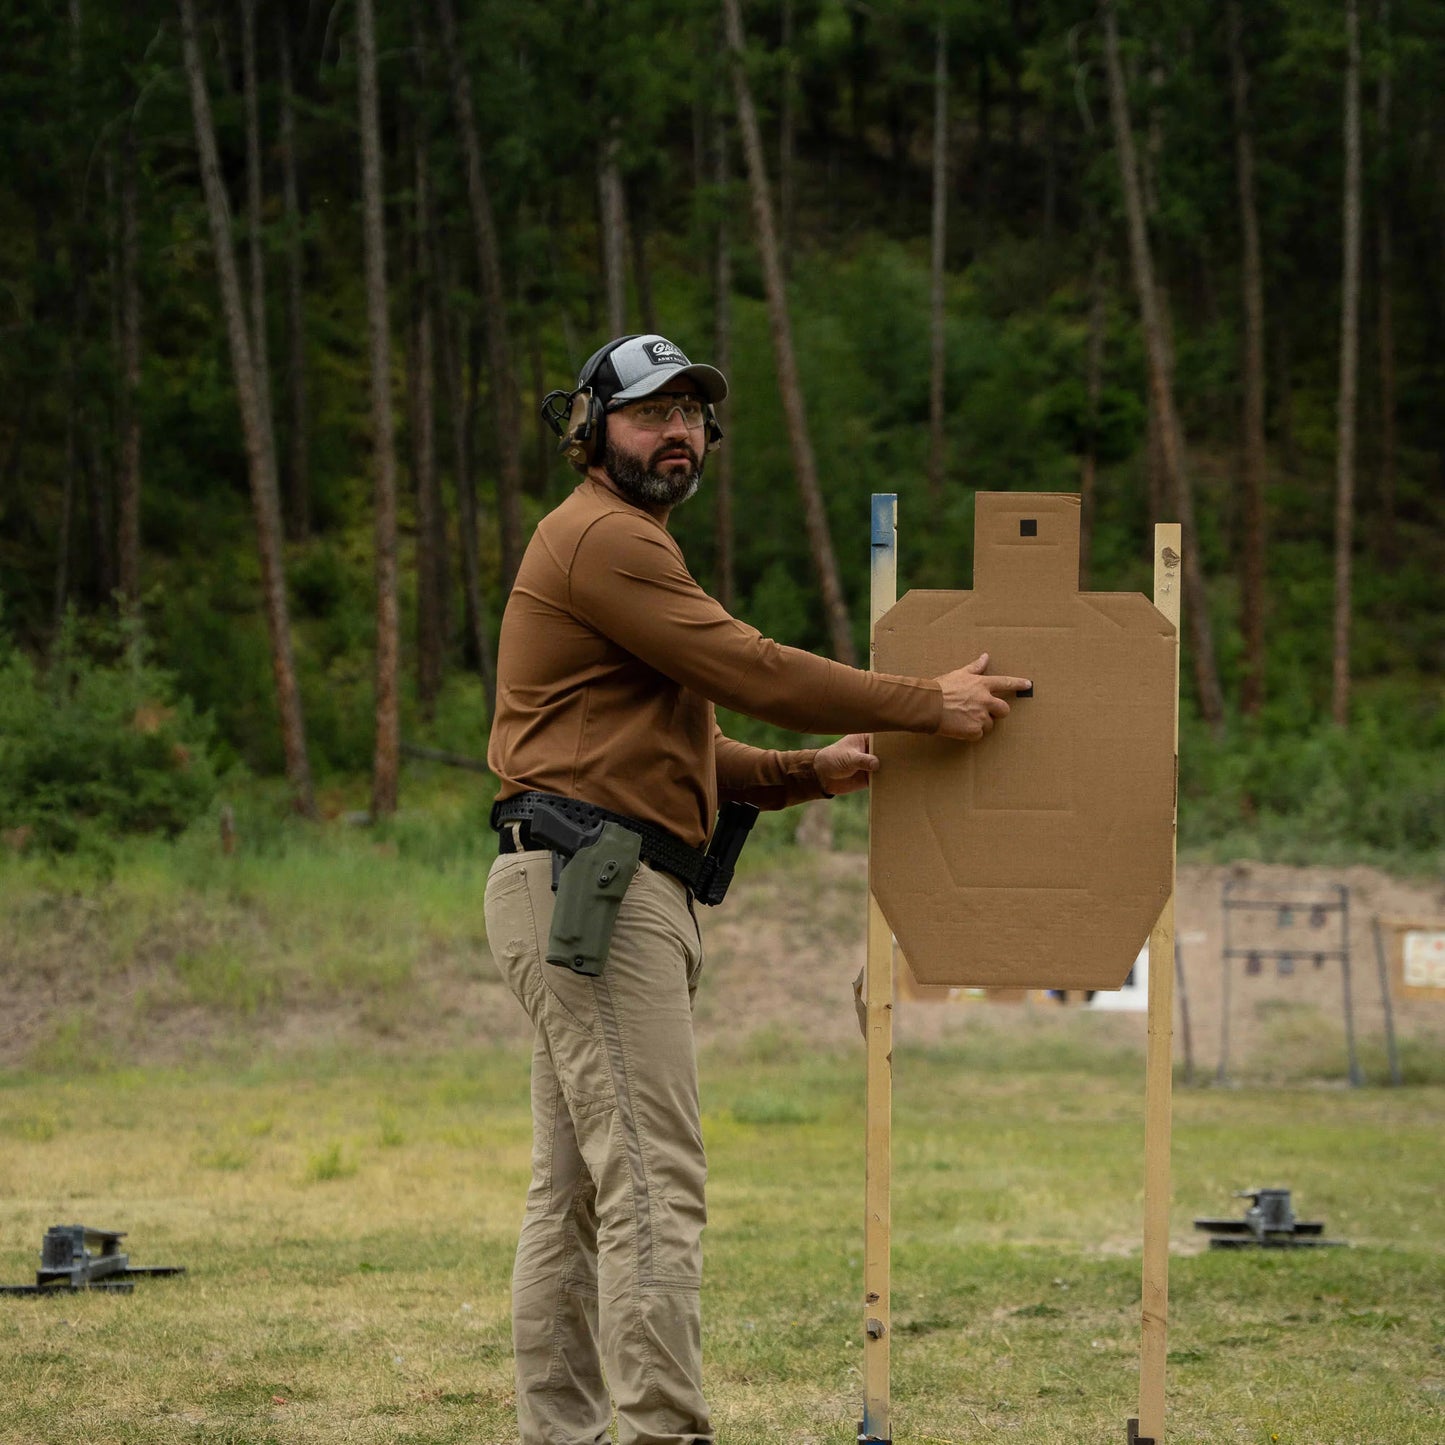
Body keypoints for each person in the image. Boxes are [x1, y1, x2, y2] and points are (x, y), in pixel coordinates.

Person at [484, 333, 1029, 1445]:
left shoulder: (615, 546)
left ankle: (567, 1432)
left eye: (691, 412)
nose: (676, 430)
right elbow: (754, 667)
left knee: (581, 1193)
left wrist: (806, 772)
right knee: (649, 1183)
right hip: (595, 879)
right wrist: (921, 700)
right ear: (589, 428)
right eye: (647, 411)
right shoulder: (606, 537)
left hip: (578, 872)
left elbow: (679, 740)